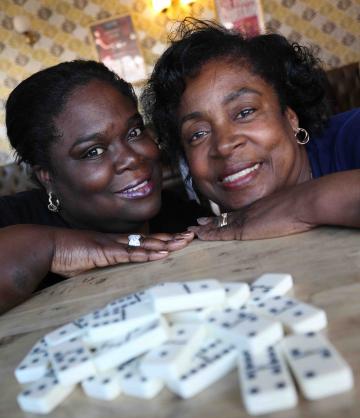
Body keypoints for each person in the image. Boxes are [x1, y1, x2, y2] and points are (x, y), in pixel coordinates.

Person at [0, 60, 198, 315]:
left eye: (134, 132)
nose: (132, 158)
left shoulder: (181, 217)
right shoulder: (10, 220)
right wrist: (53, 247)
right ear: (48, 175)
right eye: (93, 151)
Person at [141, 19, 360, 241]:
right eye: (197, 134)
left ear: (290, 118)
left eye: (245, 112)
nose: (224, 145)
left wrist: (300, 203)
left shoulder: (353, 133)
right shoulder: (221, 230)